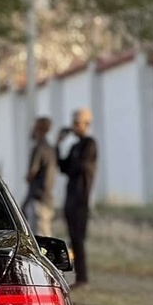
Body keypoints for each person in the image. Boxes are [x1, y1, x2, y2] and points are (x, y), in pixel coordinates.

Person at [57, 107, 97, 289]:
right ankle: (79, 276)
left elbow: (79, 167)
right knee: (73, 238)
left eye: (77, 123)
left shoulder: (90, 144)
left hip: (81, 198)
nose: (73, 127)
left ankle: (84, 278)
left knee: (79, 239)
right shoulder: (74, 146)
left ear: (85, 124)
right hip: (70, 197)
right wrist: (58, 145)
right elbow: (64, 168)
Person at [22, 116, 56, 236]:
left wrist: (27, 177)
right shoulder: (50, 149)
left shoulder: (39, 149)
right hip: (47, 199)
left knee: (38, 239)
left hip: (37, 199)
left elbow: (32, 172)